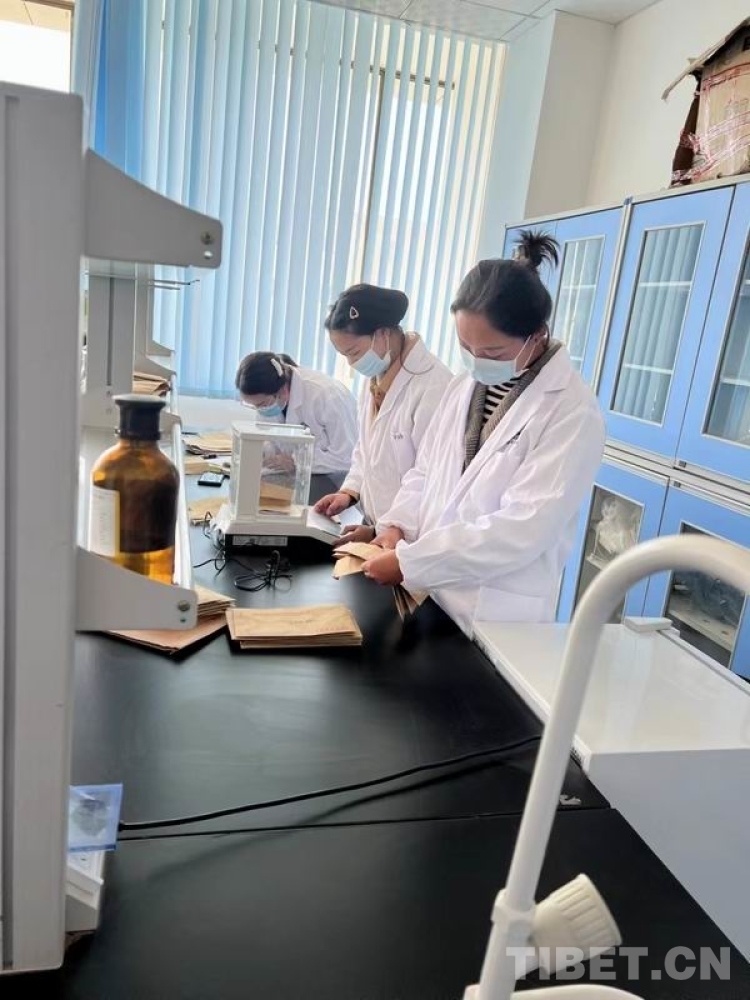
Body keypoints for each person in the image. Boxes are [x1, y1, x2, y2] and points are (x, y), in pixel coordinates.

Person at [361, 231, 606, 636]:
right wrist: (396, 526)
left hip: (494, 613)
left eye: (492, 353)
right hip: (433, 595)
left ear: (538, 335)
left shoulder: (571, 412)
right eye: (466, 347)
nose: (477, 361)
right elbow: (426, 471)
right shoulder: (464, 386)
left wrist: (412, 562)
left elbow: (521, 529)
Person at [314, 283, 452, 544]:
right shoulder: (377, 377)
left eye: (354, 352)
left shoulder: (435, 386)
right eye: (344, 355)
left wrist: (393, 528)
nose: (352, 363)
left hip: (411, 536)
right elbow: (365, 450)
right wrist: (349, 492)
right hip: (379, 529)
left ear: (383, 333)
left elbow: (427, 475)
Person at [235, 351, 357, 477]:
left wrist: (296, 461)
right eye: (254, 406)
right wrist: (265, 450)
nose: (260, 410)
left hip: (336, 480)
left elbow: (347, 457)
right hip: (299, 478)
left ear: (282, 390)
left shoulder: (327, 395)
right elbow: (277, 441)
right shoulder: (268, 399)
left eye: (262, 404)